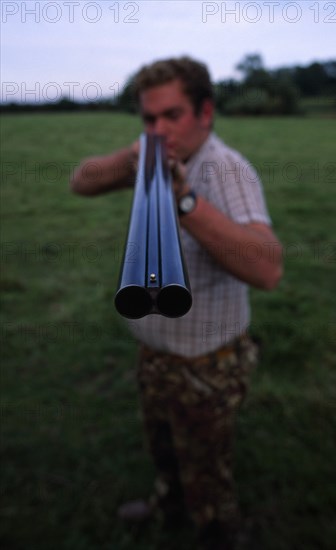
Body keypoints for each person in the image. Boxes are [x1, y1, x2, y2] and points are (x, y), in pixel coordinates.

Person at [71, 56, 283, 550]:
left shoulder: (227, 170)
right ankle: (167, 503)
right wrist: (132, 160)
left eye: (172, 115)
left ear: (205, 112)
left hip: (209, 362)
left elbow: (267, 269)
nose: (159, 129)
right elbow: (80, 181)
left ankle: (217, 532)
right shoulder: (151, 156)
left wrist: (187, 202)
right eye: (149, 119)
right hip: (155, 353)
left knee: (208, 466)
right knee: (163, 448)